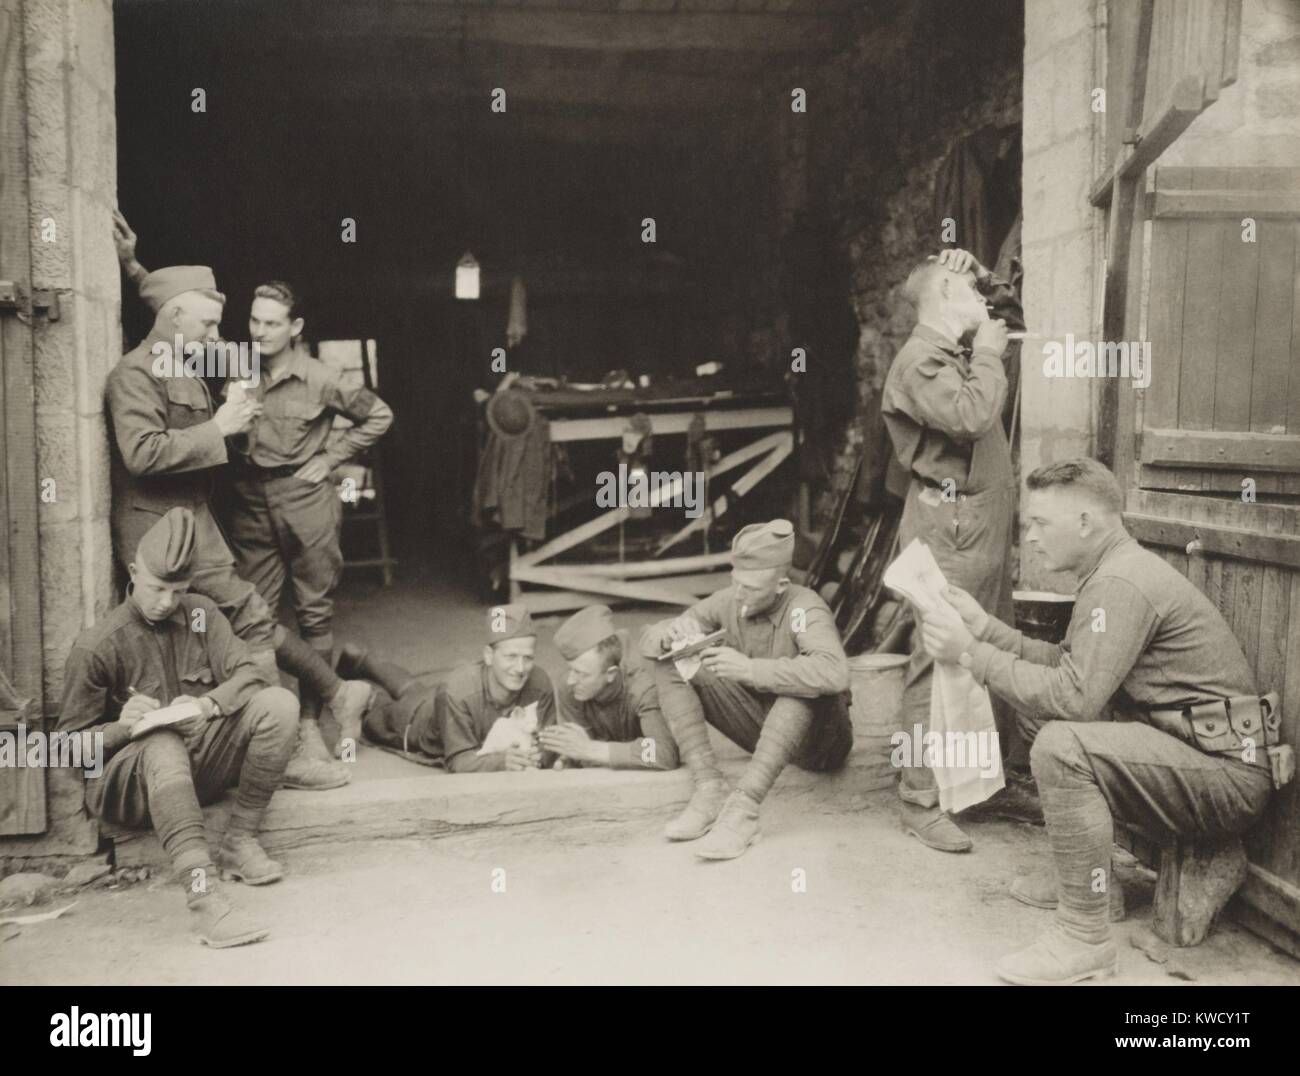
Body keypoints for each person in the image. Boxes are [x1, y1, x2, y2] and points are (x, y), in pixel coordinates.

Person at [918, 458, 1276, 984]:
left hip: (1227, 776)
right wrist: (987, 629)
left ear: (1086, 522)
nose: (1031, 537)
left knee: (1061, 742)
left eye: (1040, 523)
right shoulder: (1112, 570)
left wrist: (972, 654)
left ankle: (1084, 939)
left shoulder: (1120, 583)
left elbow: (1075, 698)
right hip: (1194, 755)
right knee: (1044, 724)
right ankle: (1094, 884)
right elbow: (1068, 668)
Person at [107, 222, 370, 791]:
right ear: (178, 322)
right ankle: (295, 732)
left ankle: (296, 727)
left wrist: (135, 268)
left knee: (244, 621)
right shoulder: (135, 372)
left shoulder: (192, 354)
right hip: (160, 528)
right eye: (209, 324)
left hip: (196, 519)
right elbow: (141, 453)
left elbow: (173, 299)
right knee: (238, 622)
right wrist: (218, 428)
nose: (222, 335)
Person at [56, 508, 299, 948]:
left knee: (278, 703)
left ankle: (239, 841)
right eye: (157, 588)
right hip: (129, 789)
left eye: (178, 590)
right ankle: (205, 900)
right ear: (134, 573)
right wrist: (123, 728)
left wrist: (209, 704)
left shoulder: (200, 615)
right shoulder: (99, 645)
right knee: (161, 740)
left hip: (195, 765)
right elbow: (67, 752)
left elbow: (250, 672)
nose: (167, 601)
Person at [881, 245, 1023, 853]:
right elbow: (969, 415)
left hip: (981, 526)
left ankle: (986, 786)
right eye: (969, 291)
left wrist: (984, 274)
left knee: (986, 646)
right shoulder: (919, 361)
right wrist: (988, 352)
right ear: (942, 295)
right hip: (952, 528)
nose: (984, 303)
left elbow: (1012, 316)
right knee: (935, 657)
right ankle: (918, 796)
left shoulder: (959, 349)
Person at [218, 280, 392, 762]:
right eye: (254, 321)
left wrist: (332, 458)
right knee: (253, 614)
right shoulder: (237, 369)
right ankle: (269, 730)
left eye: (272, 323)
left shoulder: (321, 377)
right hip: (250, 499)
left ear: (294, 328)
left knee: (314, 613)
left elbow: (379, 415)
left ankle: (312, 727)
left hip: (306, 499)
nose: (260, 331)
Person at [640, 519, 853, 861]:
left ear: (781, 584)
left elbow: (835, 672)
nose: (739, 593)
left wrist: (749, 670)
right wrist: (670, 631)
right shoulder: (732, 599)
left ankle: (744, 810)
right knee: (672, 661)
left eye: (750, 588)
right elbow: (650, 641)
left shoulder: (803, 608)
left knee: (798, 684)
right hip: (764, 732)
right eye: (735, 582)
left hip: (820, 742)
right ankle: (709, 786)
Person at [355, 604, 556, 772]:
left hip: (442, 698)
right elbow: (458, 761)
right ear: (488, 656)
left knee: (413, 690)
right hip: (415, 719)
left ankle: (362, 660)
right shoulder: (457, 691)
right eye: (510, 656)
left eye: (528, 658)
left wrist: (541, 754)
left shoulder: (539, 683)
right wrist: (501, 761)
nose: (520, 669)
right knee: (374, 715)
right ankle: (366, 689)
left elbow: (547, 743)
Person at [540, 605, 679, 770]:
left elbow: (665, 753)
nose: (571, 680)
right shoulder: (570, 688)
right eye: (571, 669)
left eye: (581, 673)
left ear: (611, 674)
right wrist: (569, 756)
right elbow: (581, 756)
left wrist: (590, 749)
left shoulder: (643, 690)